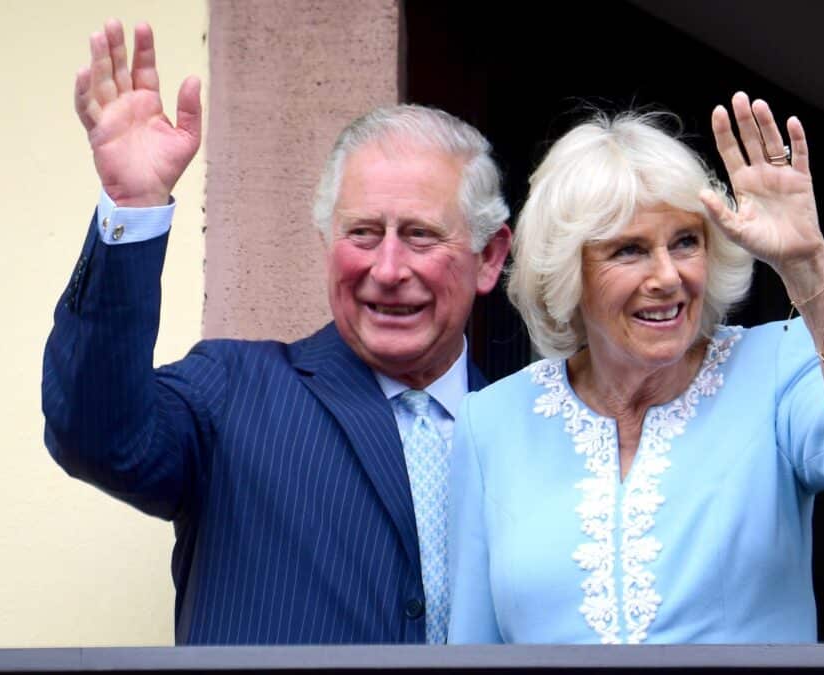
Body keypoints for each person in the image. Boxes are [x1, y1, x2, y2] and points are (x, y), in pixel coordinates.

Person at [43, 20, 511, 644]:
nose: (389, 269)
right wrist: (133, 208)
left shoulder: (528, 432)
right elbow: (94, 435)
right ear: (327, 244)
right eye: (362, 233)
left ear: (489, 257)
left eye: (422, 235)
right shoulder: (232, 392)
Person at [446, 93, 824, 644]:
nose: (667, 276)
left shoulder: (775, 365)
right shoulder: (490, 422)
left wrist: (807, 265)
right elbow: (472, 650)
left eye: (685, 242)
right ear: (568, 271)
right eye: (629, 250)